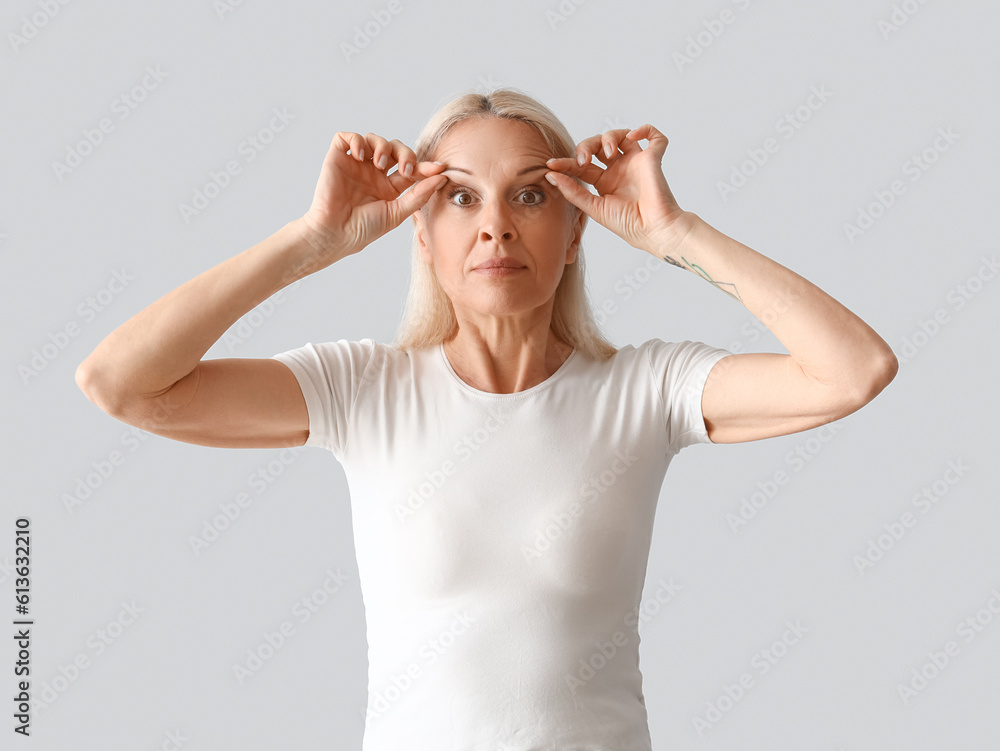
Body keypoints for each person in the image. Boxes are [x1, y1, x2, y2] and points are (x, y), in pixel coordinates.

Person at [76, 87, 897, 750]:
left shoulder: (644, 389)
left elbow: (855, 369)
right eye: (461, 197)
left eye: (531, 195)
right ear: (421, 234)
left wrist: (677, 233)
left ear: (576, 230)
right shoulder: (363, 389)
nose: (496, 224)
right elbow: (122, 383)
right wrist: (313, 239)